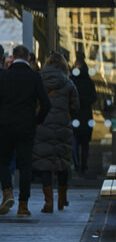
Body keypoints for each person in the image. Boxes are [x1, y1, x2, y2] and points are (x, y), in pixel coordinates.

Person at [0, 45, 50, 216]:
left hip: (5, 125)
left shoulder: (3, 76)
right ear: (28, 58)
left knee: (3, 160)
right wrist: (37, 120)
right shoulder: (34, 77)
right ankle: (23, 205)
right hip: (27, 126)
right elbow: (46, 103)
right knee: (25, 165)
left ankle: (7, 192)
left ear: (13, 58)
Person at [32, 52, 79, 213]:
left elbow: (33, 103)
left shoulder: (39, 80)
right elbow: (75, 107)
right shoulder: (69, 84)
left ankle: (48, 202)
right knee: (62, 163)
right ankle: (62, 199)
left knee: (45, 163)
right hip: (63, 128)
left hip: (43, 126)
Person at [70, 52, 98, 175]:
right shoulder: (88, 81)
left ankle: (77, 165)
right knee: (85, 143)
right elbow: (93, 98)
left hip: (75, 114)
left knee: (75, 141)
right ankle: (83, 165)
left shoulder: (72, 81)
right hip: (86, 114)